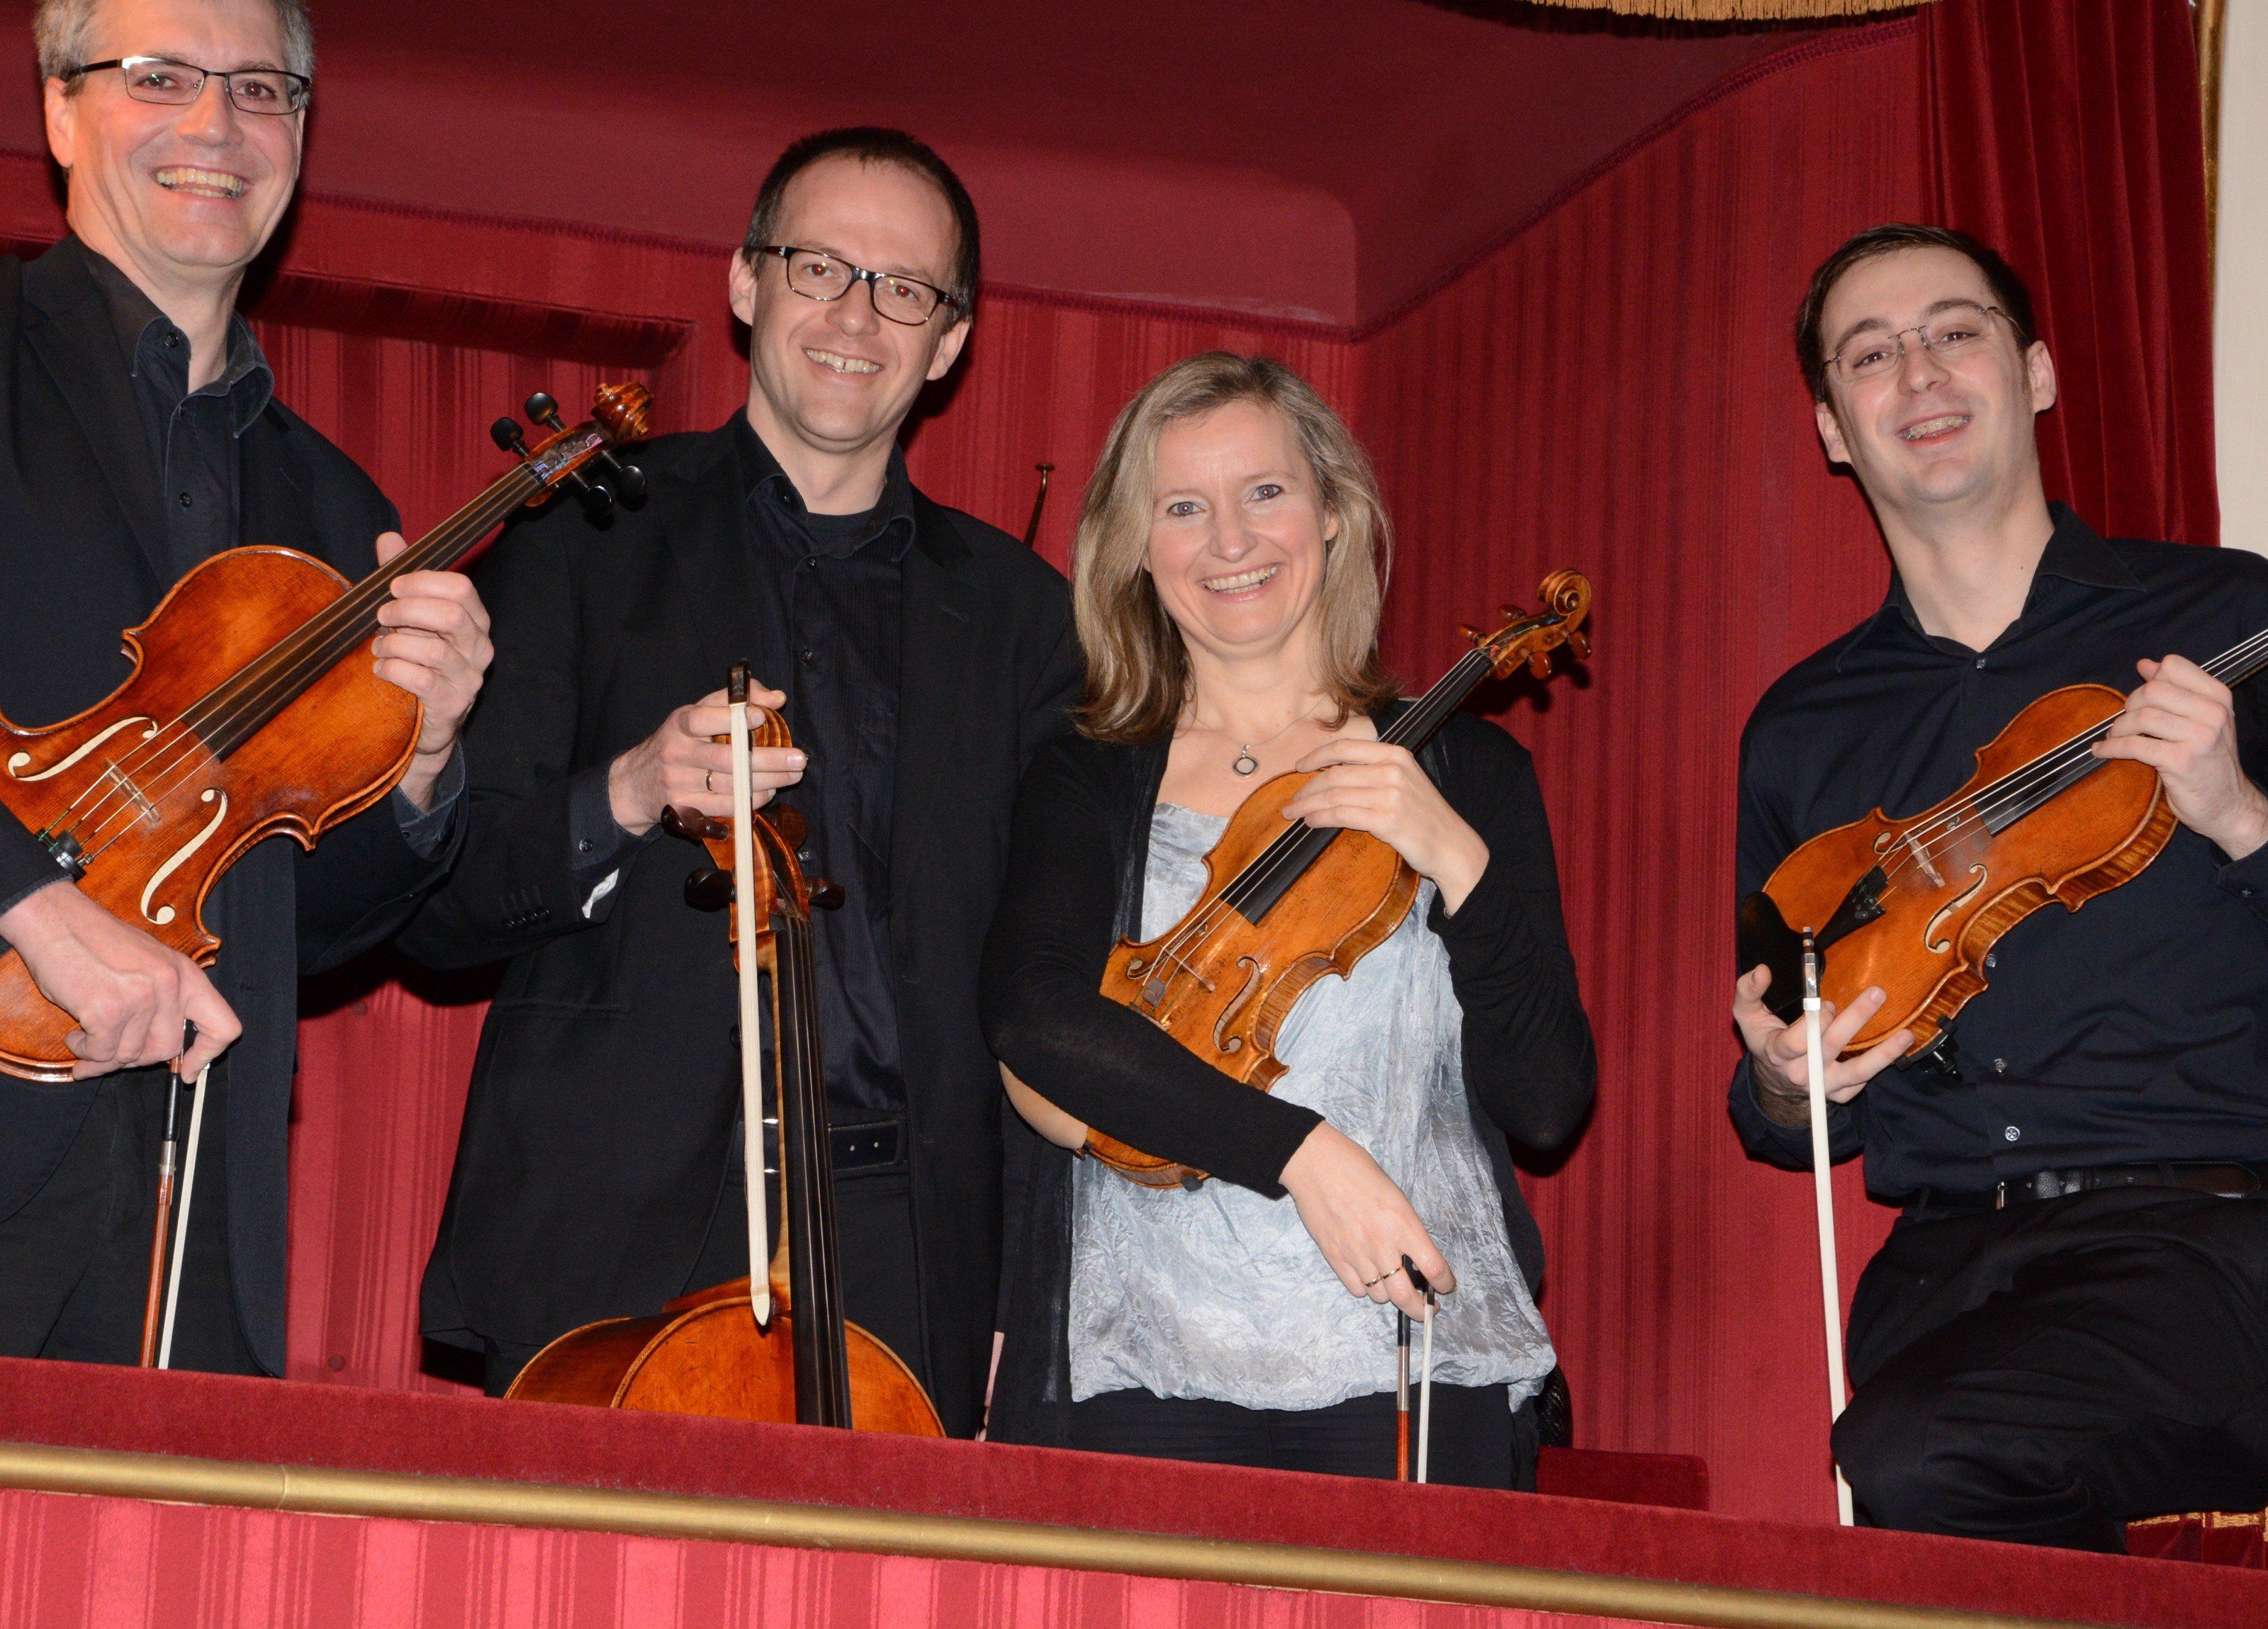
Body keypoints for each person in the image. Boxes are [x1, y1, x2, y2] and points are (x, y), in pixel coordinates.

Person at [398, 127, 1078, 1431]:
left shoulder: (1022, 622)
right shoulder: (583, 536)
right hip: (617, 1225)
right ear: (745, 282)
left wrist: (1018, 1296)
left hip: (903, 1237)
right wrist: (632, 792)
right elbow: (439, 902)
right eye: (819, 266)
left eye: (905, 288)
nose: (856, 315)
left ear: (949, 341)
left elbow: (1040, 982)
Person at [0, 0, 491, 1374]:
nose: (216, 125)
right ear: (58, 110)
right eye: (160, 76)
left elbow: (299, 915)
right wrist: (30, 903)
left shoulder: (338, 507)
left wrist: (424, 769)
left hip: (182, 1200)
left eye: (262, 90)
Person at [1730, 223, 2268, 1548]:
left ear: (2032, 372)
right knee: (1915, 1461)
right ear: (1834, 428)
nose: (1918, 371)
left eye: (1955, 331)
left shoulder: (2224, 616)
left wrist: (2242, 815)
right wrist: (1787, 1078)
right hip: (1944, 1270)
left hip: (2207, 1241)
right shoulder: (1801, 728)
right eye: (1872, 353)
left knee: (1914, 1448)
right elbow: (1786, 1094)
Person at [981, 352, 1593, 1486]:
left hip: (1413, 1346)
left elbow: (1548, 1099)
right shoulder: (1086, 774)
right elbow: (1038, 1018)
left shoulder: (1464, 765)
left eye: (1264, 490)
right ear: (1136, 551)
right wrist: (1305, 1155)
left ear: (1334, 514)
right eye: (1183, 507)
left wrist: (1456, 854)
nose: (1231, 540)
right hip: (1147, 1361)